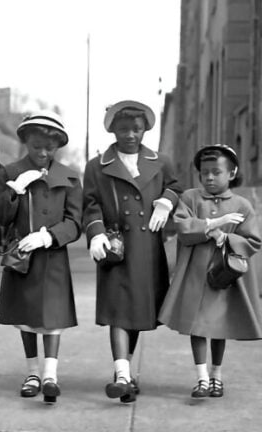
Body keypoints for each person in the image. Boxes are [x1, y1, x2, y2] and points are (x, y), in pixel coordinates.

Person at [82, 100, 182, 403]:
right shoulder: (97, 166)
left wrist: (167, 201)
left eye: (136, 129)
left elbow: (177, 185)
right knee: (118, 312)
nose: (130, 135)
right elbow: (90, 203)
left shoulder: (161, 161)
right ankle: (123, 374)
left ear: (145, 130)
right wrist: (96, 233)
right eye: (123, 128)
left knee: (137, 311)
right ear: (113, 129)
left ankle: (123, 373)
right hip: (116, 247)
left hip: (147, 248)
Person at [159, 144, 262, 398]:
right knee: (197, 326)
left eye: (216, 172)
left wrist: (228, 239)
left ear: (231, 173)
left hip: (225, 277)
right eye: (204, 172)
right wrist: (210, 227)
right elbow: (183, 228)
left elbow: (253, 241)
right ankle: (202, 378)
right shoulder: (190, 199)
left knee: (219, 325)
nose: (209, 177)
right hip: (196, 276)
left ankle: (217, 375)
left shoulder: (242, 205)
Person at [0, 111, 82, 404]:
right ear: (25, 143)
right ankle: (32, 372)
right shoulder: (9, 172)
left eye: (49, 147)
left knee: (52, 318)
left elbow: (75, 221)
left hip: (53, 257)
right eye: (36, 147)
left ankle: (50, 375)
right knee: (26, 317)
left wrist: (49, 236)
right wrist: (15, 190)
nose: (43, 153)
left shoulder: (69, 176)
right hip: (23, 257)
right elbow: (2, 218)